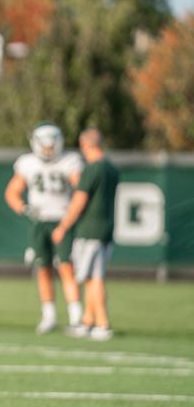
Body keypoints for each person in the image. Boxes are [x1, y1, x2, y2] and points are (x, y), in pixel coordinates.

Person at [4, 122, 84, 334]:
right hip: (39, 222)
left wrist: (71, 215)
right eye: (45, 146)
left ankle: (76, 315)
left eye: (51, 146)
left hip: (63, 220)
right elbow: (12, 192)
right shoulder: (27, 163)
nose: (48, 150)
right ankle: (49, 315)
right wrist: (24, 209)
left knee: (67, 267)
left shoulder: (70, 161)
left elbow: (81, 189)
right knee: (43, 268)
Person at [52, 128, 120, 341]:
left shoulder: (92, 169)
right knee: (92, 276)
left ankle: (102, 323)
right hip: (107, 228)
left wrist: (63, 227)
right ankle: (87, 321)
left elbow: (79, 201)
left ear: (85, 145)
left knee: (94, 278)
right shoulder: (111, 168)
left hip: (90, 230)